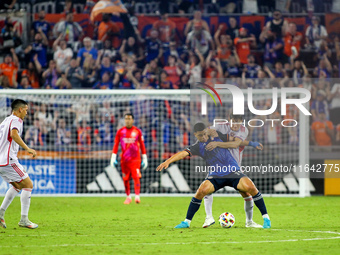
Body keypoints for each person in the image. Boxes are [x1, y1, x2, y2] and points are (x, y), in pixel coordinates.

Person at [157, 122, 271, 229]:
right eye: (200, 135)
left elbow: (237, 141)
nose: (204, 137)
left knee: (250, 187)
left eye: (205, 134)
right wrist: (167, 161)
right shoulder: (197, 146)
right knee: (202, 190)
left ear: (208, 130)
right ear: (195, 135)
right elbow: (183, 153)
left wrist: (251, 143)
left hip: (232, 171)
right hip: (216, 174)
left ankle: (265, 219)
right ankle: (187, 222)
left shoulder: (218, 135)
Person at [202, 116, 263, 228]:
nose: (235, 125)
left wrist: (217, 142)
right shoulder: (221, 125)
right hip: (218, 166)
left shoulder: (243, 129)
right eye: (233, 121)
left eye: (238, 122)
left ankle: (249, 222)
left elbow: (235, 144)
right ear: (229, 119)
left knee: (246, 193)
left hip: (234, 167)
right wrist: (209, 133)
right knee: (207, 191)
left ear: (242, 122)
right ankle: (208, 218)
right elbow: (205, 131)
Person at [0, 99, 38, 229]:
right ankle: (24, 220)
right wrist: (28, 149)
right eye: (26, 110)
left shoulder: (5, 121)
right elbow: (14, 134)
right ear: (20, 109)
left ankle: (1, 213)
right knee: (28, 184)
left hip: (1, 160)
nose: (26, 113)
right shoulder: (17, 120)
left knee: (17, 186)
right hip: (8, 160)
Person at [110, 113, 148, 204]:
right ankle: (128, 197)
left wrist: (144, 158)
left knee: (136, 177)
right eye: (126, 119)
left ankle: (137, 196)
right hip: (124, 160)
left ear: (133, 120)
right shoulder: (120, 131)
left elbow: (142, 145)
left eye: (129, 118)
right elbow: (116, 145)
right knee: (125, 179)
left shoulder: (138, 131)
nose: (127, 120)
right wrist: (113, 157)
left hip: (135, 159)